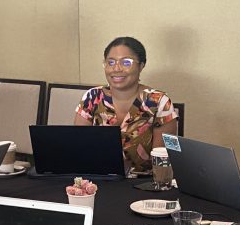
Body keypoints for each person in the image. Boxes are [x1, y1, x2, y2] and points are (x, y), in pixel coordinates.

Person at [74, 36, 179, 175]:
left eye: (126, 62)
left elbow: (165, 159)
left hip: (144, 183)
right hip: (98, 179)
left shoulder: (159, 102)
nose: (116, 68)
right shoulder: (92, 97)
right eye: (110, 62)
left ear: (141, 65)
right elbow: (78, 147)